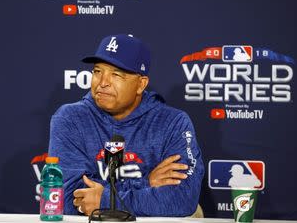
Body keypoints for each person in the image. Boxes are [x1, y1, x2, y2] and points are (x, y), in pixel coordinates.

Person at [48, 34, 204, 217]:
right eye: (97, 71)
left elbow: (183, 199)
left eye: (116, 74)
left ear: (141, 84)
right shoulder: (71, 118)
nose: (103, 83)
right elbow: (67, 199)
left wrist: (105, 200)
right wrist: (147, 182)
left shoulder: (173, 123)